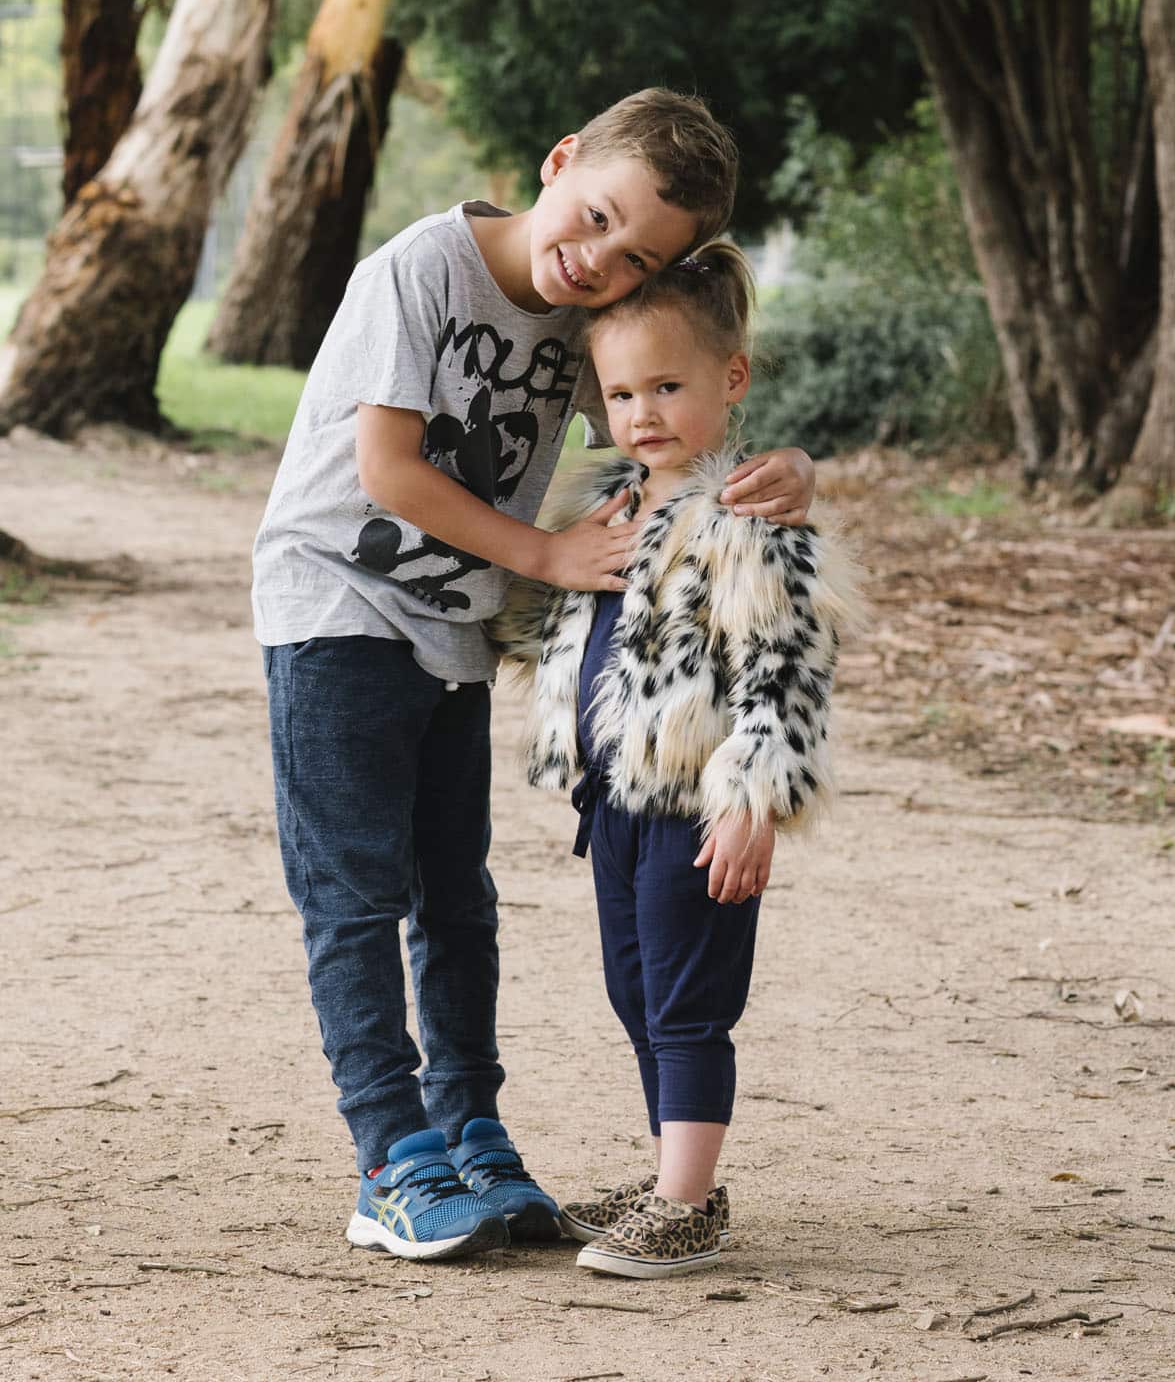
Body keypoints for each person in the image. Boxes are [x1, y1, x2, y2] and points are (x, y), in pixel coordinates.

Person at [251, 88, 819, 1263]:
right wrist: (549, 555)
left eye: (638, 258)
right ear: (561, 160)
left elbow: (675, 405)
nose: (601, 260)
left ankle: (471, 1129)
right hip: (335, 606)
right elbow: (389, 470)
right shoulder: (422, 271)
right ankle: (390, 1154)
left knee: (457, 900)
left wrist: (790, 469)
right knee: (357, 894)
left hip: (452, 631)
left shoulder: (585, 318)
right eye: (599, 216)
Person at [490, 241, 863, 1279]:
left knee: (689, 1002)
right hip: (613, 798)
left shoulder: (751, 518)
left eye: (667, 386)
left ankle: (688, 1207)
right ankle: (673, 1179)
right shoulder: (610, 507)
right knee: (634, 990)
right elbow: (539, 632)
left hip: (697, 805)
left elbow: (784, 673)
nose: (643, 412)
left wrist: (752, 802)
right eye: (621, 394)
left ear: (730, 379)